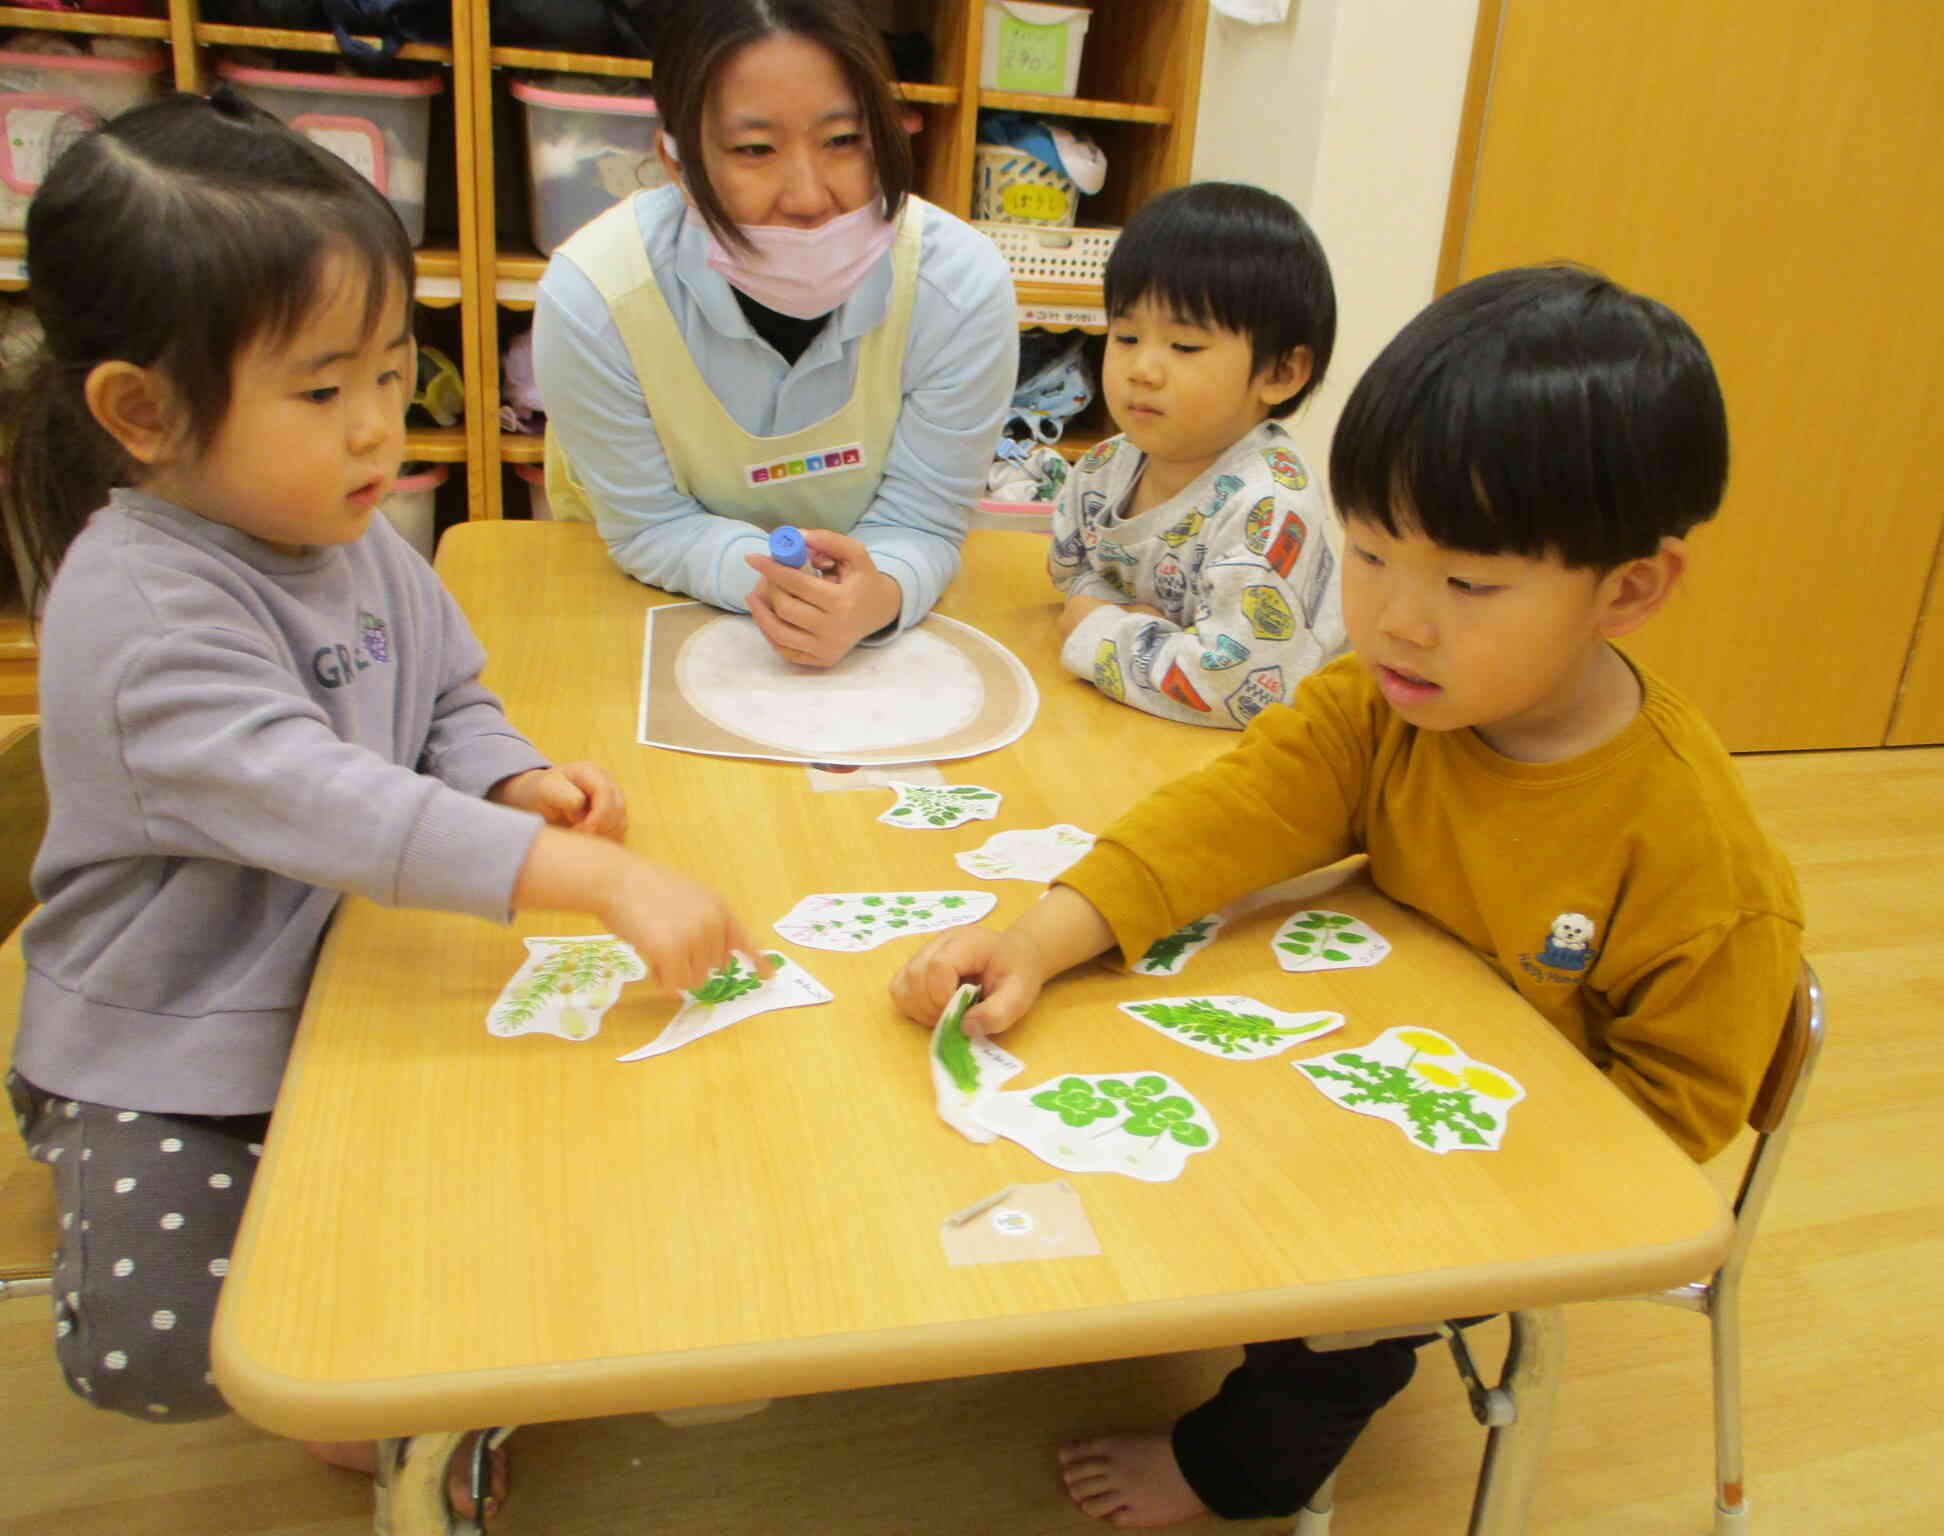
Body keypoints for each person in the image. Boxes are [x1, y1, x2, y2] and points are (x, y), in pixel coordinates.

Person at [893, 265, 1805, 1524]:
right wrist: (1042, 938)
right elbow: (1229, 815)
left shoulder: (1693, 855)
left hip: (1516, 1160)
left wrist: (1470, 1203)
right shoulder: (1380, 699)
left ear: (1631, 588)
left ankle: (1237, 1471)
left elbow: (1676, 1111)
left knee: (1336, 1325)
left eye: (1466, 585)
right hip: (1367, 1045)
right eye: (1368, 556)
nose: (1393, 623)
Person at [1, 91, 751, 1513]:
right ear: (142, 413)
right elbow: (341, 804)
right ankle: (364, 1392)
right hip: (165, 1035)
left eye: (394, 372)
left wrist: (511, 772)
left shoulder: (338, 528)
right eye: (320, 388)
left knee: (525, 1182)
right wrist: (586, 875)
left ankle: (420, 1365)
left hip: (339, 971)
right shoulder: (145, 612)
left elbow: (444, 694)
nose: (376, 429)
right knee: (186, 1342)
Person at [534, 0, 1019, 669]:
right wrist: (783, 586)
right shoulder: (593, 298)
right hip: (650, 618)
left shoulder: (960, 288)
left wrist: (878, 593)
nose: (809, 196)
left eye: (843, 141)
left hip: (872, 641)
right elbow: (648, 524)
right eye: (755, 150)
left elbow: (925, 519)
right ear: (677, 161)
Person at [1048, 182, 1345, 727]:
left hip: (1275, 745)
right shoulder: (1106, 466)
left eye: (1184, 347)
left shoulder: (1269, 506)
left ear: (1280, 373)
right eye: (1127, 336)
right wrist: (1118, 616)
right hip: (1143, 723)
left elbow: (1233, 685)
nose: (1143, 369)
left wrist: (1105, 630)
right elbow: (1075, 575)